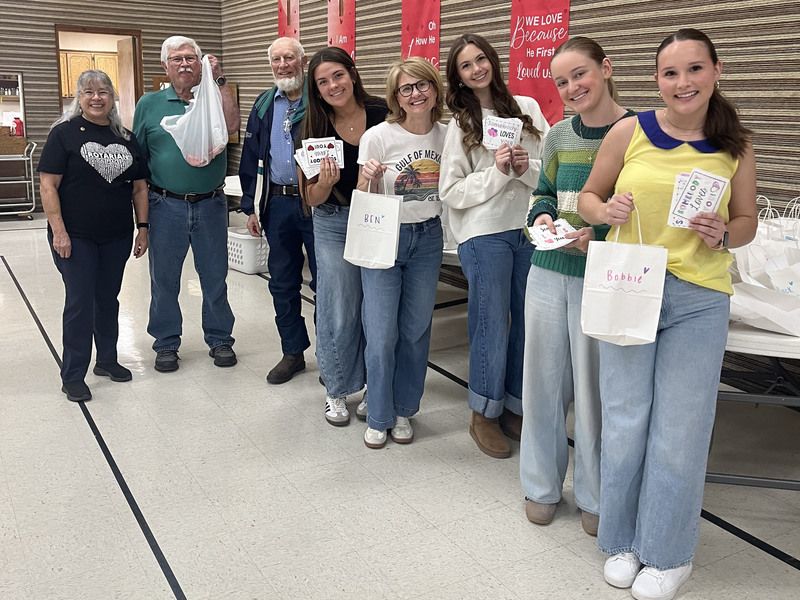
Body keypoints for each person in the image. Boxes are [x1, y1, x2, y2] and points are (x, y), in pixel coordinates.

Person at [577, 28, 757, 600]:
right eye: (671, 73)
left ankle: (669, 552)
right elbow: (587, 198)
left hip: (699, 297)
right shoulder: (630, 131)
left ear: (716, 71)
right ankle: (625, 540)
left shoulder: (736, 145)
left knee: (680, 430)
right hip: (631, 285)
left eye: (695, 69)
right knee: (626, 419)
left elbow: (748, 220)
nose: (683, 83)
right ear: (656, 80)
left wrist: (724, 232)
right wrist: (606, 208)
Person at [520, 37, 635, 534]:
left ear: (606, 68)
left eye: (580, 74)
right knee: (541, 385)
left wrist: (601, 236)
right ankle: (541, 484)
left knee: (593, 392)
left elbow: (642, 210)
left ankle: (594, 492)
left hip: (604, 276)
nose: (571, 88)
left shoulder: (639, 134)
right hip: (548, 272)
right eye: (561, 82)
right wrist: (543, 217)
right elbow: (544, 193)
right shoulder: (558, 135)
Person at [440, 33, 549, 459]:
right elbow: (452, 190)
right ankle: (483, 413)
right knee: (489, 320)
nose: (476, 69)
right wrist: (499, 172)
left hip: (528, 229)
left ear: (493, 61)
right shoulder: (461, 125)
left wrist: (525, 166)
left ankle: (515, 406)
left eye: (480, 59)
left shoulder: (528, 109)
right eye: (466, 65)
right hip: (483, 232)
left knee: (526, 320)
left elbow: (547, 175)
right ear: (460, 77)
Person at [38, 70, 150, 402]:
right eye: (88, 92)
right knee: (79, 302)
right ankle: (73, 373)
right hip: (75, 236)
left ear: (113, 97)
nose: (96, 98)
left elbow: (140, 188)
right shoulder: (64, 135)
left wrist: (142, 228)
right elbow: (48, 186)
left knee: (107, 300)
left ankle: (106, 361)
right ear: (78, 97)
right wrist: (59, 232)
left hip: (115, 235)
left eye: (103, 91)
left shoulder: (126, 137)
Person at [133, 35, 240, 373]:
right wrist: (140, 219)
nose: (184, 64)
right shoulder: (149, 104)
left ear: (199, 64)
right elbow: (138, 158)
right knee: (164, 280)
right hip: (165, 205)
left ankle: (220, 338)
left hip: (211, 204)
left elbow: (233, 126)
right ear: (165, 66)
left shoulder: (211, 96)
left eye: (190, 58)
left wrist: (219, 79)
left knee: (215, 277)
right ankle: (166, 343)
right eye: (176, 59)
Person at [357, 57, 446, 448]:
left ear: (434, 88)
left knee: (414, 330)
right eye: (406, 88)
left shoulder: (450, 135)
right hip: (384, 235)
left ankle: (404, 408)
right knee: (380, 333)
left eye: (422, 85)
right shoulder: (378, 136)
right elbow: (362, 199)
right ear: (396, 96)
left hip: (427, 237)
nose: (416, 94)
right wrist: (367, 177)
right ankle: (378, 413)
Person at [298, 47, 389, 426]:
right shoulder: (313, 124)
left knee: (378, 309)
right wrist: (324, 184)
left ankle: (373, 386)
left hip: (379, 218)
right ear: (316, 90)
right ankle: (336, 389)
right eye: (322, 82)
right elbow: (309, 198)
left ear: (352, 74)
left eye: (338, 75)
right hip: (334, 220)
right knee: (338, 307)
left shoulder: (384, 113)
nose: (333, 85)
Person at [239, 37, 316, 384]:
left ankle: (330, 353)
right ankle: (293, 352)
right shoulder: (265, 103)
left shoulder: (320, 100)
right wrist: (250, 206)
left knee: (327, 283)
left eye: (289, 58)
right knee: (282, 282)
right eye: (276, 59)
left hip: (317, 203)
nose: (282, 65)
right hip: (277, 203)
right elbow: (251, 156)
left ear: (303, 61)